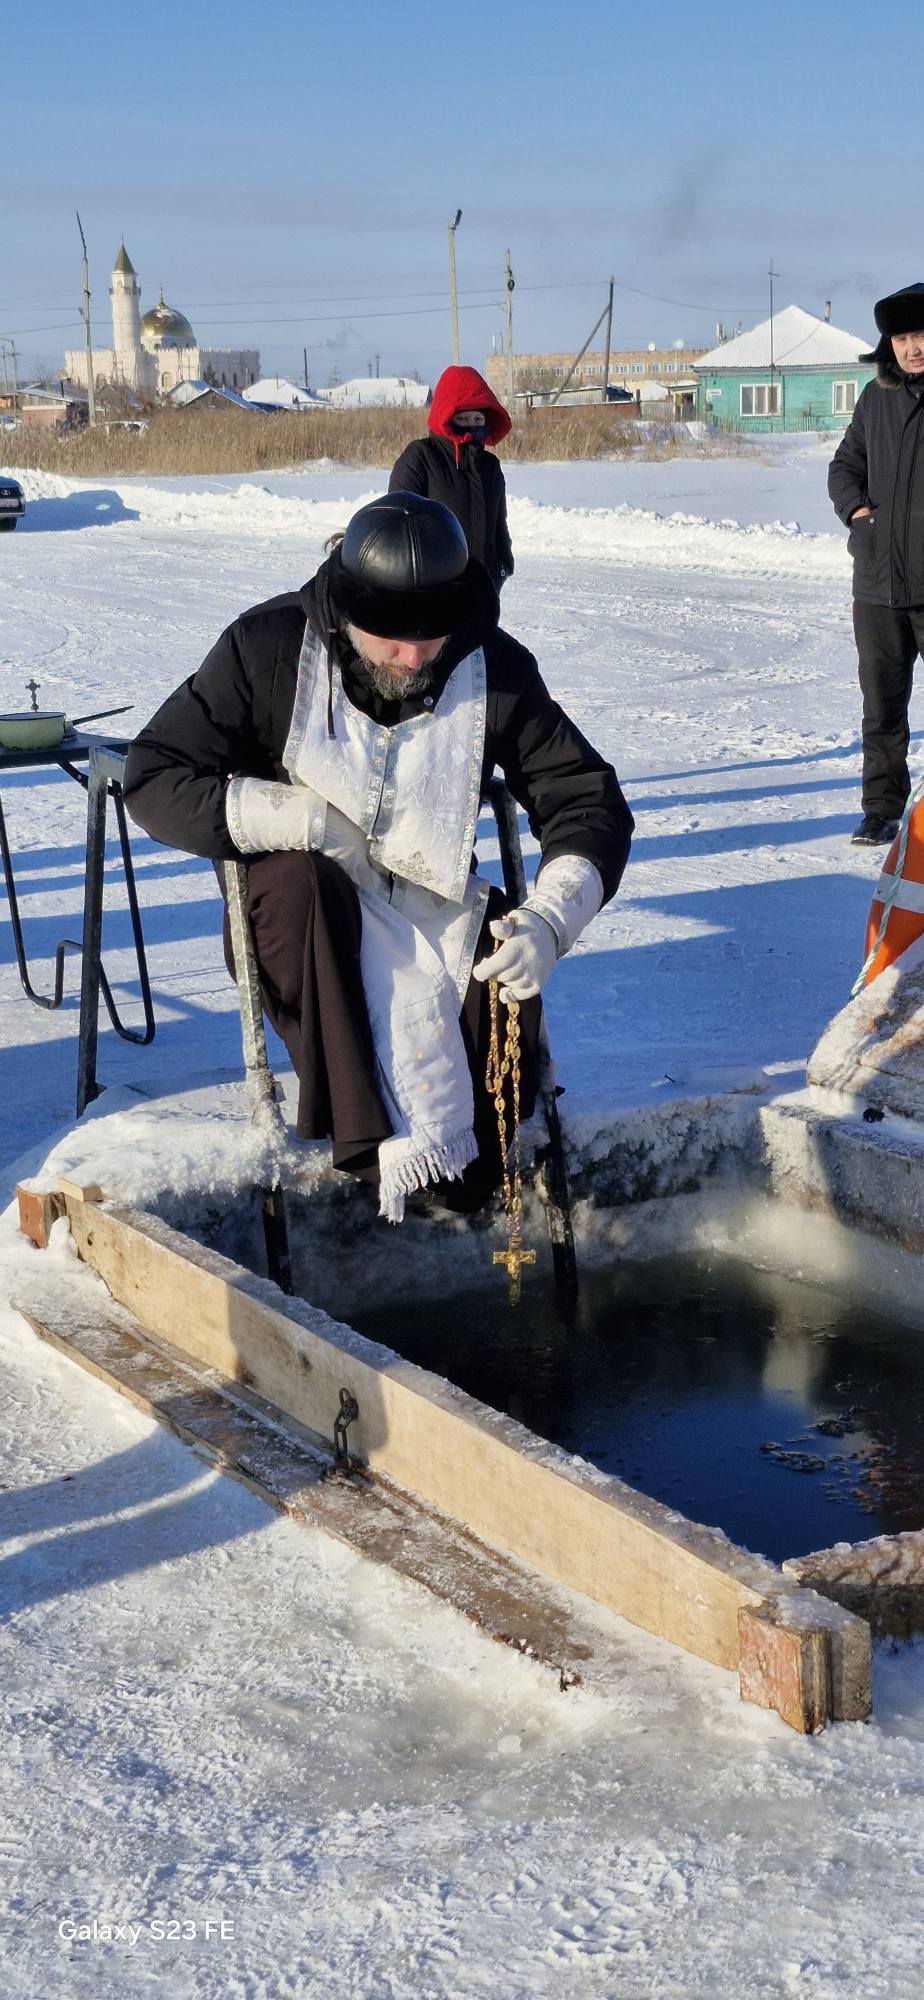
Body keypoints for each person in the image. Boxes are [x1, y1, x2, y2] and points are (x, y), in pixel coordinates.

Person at [123, 493, 633, 1222]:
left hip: (429, 898)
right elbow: (156, 774)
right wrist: (288, 815)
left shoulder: (493, 666)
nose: (412, 657)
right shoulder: (267, 649)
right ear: (343, 609)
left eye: (430, 638)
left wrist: (553, 916)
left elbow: (585, 795)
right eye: (390, 638)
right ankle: (369, 1144)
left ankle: (467, 1189)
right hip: (301, 913)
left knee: (496, 1016)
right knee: (307, 890)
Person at [828, 282, 924, 844]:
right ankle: (881, 809)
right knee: (882, 707)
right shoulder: (875, 397)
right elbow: (844, 467)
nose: (914, 348)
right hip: (879, 584)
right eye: (904, 337)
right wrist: (857, 512)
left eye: (921, 336)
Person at [389, 365, 515, 591]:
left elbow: (498, 523)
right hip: (433, 587)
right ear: (446, 416)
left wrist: (503, 565)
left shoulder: (490, 466)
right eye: (463, 418)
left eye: (477, 418)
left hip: (483, 586)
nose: (472, 425)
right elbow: (397, 523)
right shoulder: (421, 456)